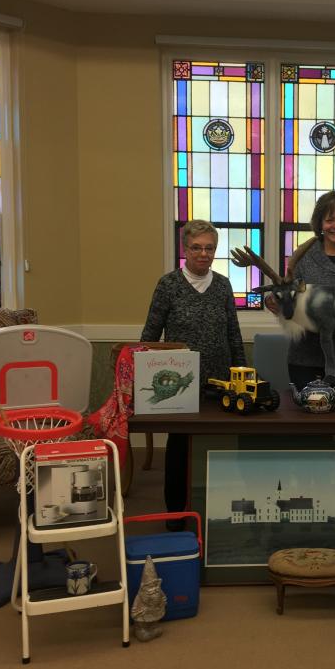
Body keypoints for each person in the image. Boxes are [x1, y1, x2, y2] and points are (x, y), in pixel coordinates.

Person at [140, 219, 246, 523]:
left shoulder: (223, 285)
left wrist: (242, 372)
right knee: (179, 452)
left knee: (218, 448)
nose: (203, 253)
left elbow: (233, 334)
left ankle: (218, 514)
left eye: (209, 248)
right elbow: (149, 335)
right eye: (196, 247)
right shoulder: (168, 285)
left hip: (220, 381)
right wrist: (141, 377)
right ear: (185, 249)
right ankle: (176, 515)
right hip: (179, 387)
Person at [268, 191, 335, 391]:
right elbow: (288, 294)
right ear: (320, 224)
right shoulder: (302, 258)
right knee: (308, 420)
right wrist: (274, 302)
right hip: (305, 359)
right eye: (329, 220)